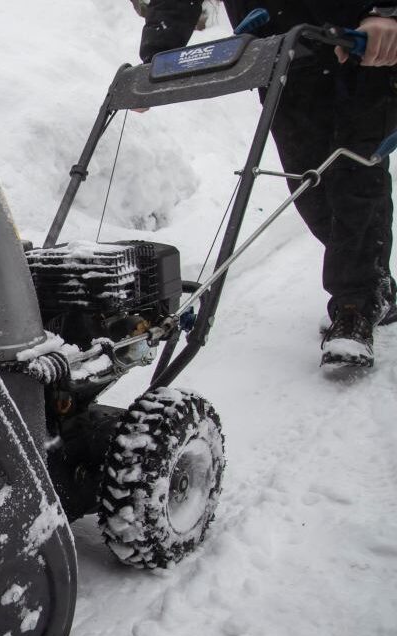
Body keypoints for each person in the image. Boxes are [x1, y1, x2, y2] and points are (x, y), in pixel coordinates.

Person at [139, 1, 397, 367]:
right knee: (311, 189)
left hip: (361, 46)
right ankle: (374, 284)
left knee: (354, 181)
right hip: (283, 58)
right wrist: (158, 57)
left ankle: (355, 305)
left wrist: (384, 12)